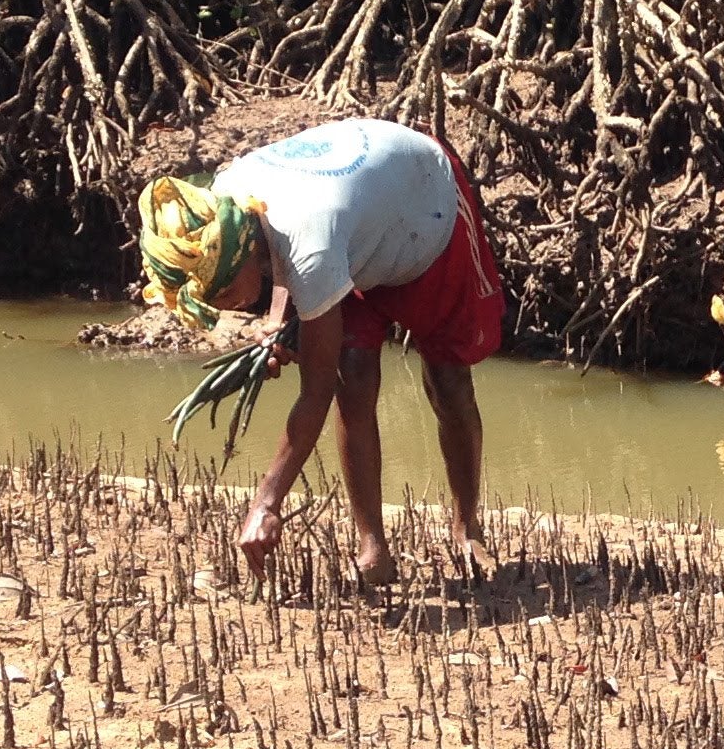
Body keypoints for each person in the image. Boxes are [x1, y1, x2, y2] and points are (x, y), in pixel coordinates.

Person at [136, 118, 505, 585]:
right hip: (352, 233)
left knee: (447, 381)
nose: (223, 308)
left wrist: (266, 503)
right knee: (353, 373)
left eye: (223, 295)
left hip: (425, 209)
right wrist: (277, 322)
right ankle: (373, 548)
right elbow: (279, 254)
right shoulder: (225, 202)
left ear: (243, 255)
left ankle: (466, 527)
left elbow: (315, 390)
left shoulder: (311, 245)